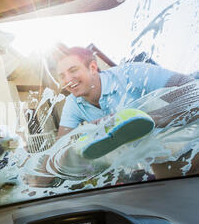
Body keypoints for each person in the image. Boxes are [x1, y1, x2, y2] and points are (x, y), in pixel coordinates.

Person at [25, 46, 198, 186]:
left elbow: (194, 92)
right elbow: (59, 147)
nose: (68, 80)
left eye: (73, 70)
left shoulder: (133, 73)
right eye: (62, 76)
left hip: (193, 143)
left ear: (93, 67)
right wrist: (35, 185)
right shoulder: (73, 104)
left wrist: (146, 116)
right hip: (161, 158)